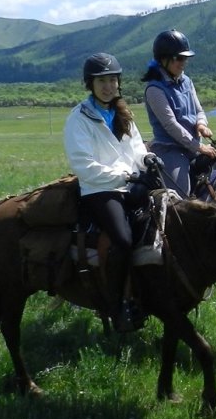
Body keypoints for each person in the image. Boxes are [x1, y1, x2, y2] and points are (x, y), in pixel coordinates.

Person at [64, 52, 155, 333]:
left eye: (113, 80)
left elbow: (137, 148)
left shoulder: (123, 113)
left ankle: (151, 292)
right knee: (124, 240)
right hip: (100, 190)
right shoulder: (79, 118)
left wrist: (147, 160)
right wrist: (125, 175)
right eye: (101, 81)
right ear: (90, 84)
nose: (108, 86)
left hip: (130, 182)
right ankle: (116, 305)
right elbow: (84, 165)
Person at [142, 29, 216, 197]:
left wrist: (201, 124)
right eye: (179, 58)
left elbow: (198, 110)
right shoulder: (154, 89)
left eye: (185, 58)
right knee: (181, 195)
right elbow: (171, 125)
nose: (183, 62)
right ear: (163, 59)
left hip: (193, 146)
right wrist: (199, 147)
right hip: (171, 149)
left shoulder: (186, 81)